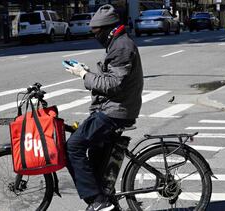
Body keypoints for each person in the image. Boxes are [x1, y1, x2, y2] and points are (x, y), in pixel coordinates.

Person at [64, 4, 144, 211]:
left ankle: (98, 201)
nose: (95, 36)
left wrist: (83, 75)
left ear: (109, 29)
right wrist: (88, 71)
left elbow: (113, 85)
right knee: (96, 156)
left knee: (73, 146)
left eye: (96, 32)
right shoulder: (117, 43)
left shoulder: (122, 47)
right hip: (113, 107)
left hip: (116, 110)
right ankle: (107, 199)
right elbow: (111, 78)